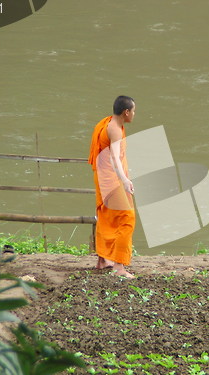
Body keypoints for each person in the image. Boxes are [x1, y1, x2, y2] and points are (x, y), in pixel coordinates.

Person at [88, 96, 136, 278]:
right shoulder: (115, 129)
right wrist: (124, 180)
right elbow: (114, 158)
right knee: (127, 219)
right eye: (133, 111)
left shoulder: (106, 122)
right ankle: (119, 267)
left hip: (102, 178)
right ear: (126, 112)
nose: (134, 114)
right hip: (113, 181)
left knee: (106, 217)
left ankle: (102, 260)